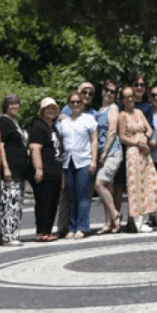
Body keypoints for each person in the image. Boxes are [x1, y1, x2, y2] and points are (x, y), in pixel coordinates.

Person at [119, 86, 157, 233]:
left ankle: (146, 217)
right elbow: (122, 136)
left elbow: (149, 129)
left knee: (150, 183)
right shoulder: (122, 115)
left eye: (131, 96)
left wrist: (145, 138)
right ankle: (137, 221)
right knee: (136, 186)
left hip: (144, 150)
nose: (130, 99)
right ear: (123, 100)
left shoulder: (139, 112)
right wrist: (136, 142)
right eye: (126, 97)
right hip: (133, 151)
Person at [56, 82, 97, 237]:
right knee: (70, 195)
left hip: (84, 161)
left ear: (82, 103)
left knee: (83, 195)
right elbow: (59, 141)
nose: (75, 104)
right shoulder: (63, 122)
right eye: (72, 102)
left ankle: (82, 227)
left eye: (78, 102)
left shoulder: (88, 119)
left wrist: (94, 161)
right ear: (68, 104)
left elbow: (93, 141)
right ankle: (72, 227)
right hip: (67, 162)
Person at [0, 93, 29, 246]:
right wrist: (5, 168)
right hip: (10, 170)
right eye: (11, 104)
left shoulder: (16, 122)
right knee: (9, 202)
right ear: (6, 106)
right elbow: (0, 145)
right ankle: (8, 236)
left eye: (16, 103)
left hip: (20, 169)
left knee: (16, 203)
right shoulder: (4, 121)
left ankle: (12, 233)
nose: (14, 106)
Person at [29, 97, 63, 242]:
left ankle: (48, 231)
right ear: (42, 111)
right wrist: (39, 169)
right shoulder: (38, 126)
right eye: (47, 108)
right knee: (44, 202)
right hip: (45, 171)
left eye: (53, 107)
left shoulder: (53, 127)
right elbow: (34, 148)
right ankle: (41, 231)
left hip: (55, 171)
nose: (50, 110)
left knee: (52, 202)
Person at [94, 79, 123, 234]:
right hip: (102, 153)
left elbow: (112, 131)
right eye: (107, 90)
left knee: (99, 183)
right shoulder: (100, 109)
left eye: (113, 91)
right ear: (102, 90)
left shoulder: (113, 108)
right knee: (107, 188)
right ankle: (109, 223)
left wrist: (104, 152)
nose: (109, 93)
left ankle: (115, 214)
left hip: (112, 151)